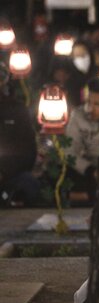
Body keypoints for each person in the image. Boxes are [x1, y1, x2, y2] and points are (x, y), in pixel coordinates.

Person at [65, 78, 99, 203]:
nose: (91, 108)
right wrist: (89, 170)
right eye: (89, 102)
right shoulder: (79, 115)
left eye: (97, 104)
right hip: (87, 168)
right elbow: (69, 151)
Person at [0, 63, 39, 206]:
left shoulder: (16, 110)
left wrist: (4, 172)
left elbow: (28, 152)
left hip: (10, 174)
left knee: (29, 185)